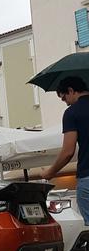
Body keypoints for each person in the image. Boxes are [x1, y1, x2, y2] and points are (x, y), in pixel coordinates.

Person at [41, 76, 89, 225]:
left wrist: (50, 172)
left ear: (71, 91)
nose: (66, 103)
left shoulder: (72, 113)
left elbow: (68, 151)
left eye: (64, 98)